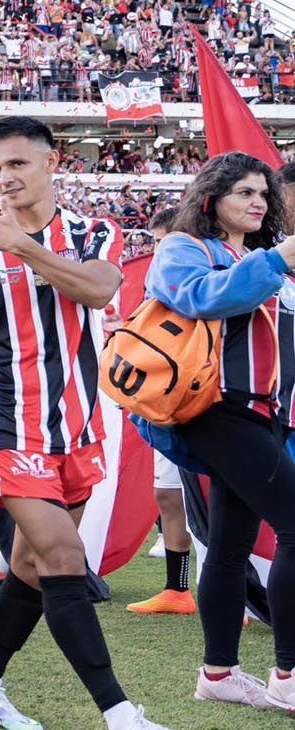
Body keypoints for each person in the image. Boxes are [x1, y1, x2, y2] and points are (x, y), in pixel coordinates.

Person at [0, 116, 165, 729]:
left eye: (17, 164)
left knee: (28, 565)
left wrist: (24, 246)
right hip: (4, 428)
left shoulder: (92, 232)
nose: (3, 177)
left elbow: (102, 291)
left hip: (77, 425)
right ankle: (120, 713)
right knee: (61, 556)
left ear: (53, 164)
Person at [145, 152, 295, 710]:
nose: (258, 202)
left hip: (261, 414)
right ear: (211, 198)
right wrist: (276, 261)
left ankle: (218, 673)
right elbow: (201, 298)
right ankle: (288, 674)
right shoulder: (183, 248)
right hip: (216, 409)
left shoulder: (256, 255)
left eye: (263, 194)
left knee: (230, 548)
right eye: (244, 193)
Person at [125, 206, 197, 617]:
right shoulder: (160, 286)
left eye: (161, 241)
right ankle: (178, 590)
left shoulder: (202, 279)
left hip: (199, 404)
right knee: (168, 496)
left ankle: (240, 594)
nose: (156, 250)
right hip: (164, 403)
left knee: (209, 504)